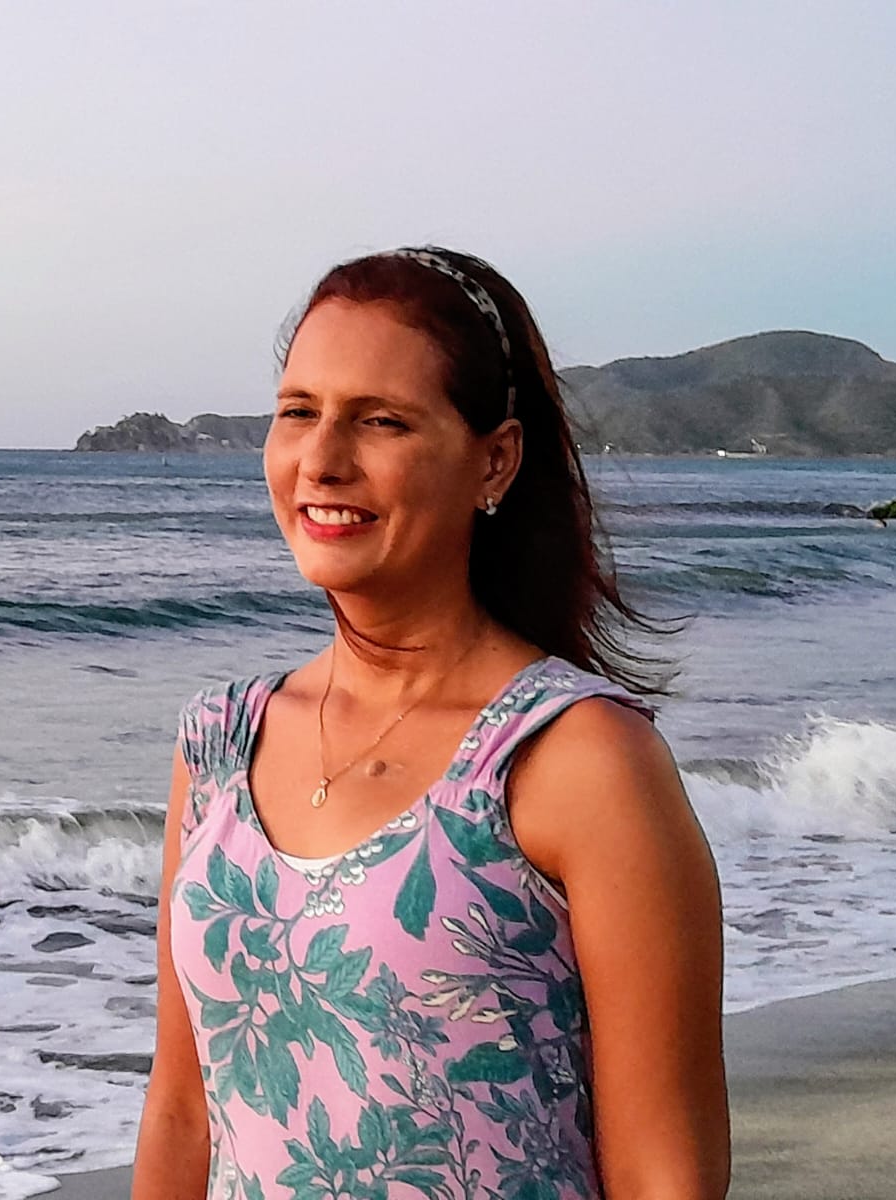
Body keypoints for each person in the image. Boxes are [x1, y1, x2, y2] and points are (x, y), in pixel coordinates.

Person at [132, 247, 729, 1200]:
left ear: (494, 459)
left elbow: (667, 1176)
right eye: (298, 412)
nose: (321, 460)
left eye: (381, 421)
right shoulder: (218, 740)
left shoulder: (575, 757)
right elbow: (180, 1110)